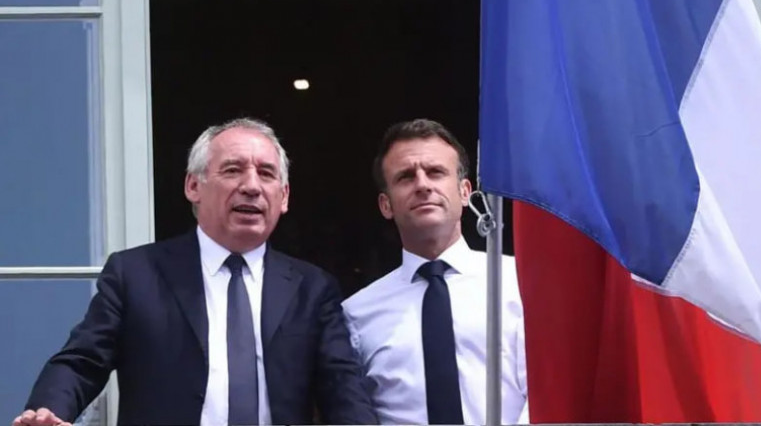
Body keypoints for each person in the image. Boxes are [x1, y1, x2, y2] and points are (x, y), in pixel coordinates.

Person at [14, 118, 377, 426]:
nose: (251, 186)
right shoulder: (136, 274)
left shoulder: (312, 289)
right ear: (193, 186)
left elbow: (342, 387)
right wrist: (49, 411)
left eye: (266, 174)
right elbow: (82, 362)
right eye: (232, 170)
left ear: (283, 197)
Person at [342, 119, 527, 424]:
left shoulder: (518, 282)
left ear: (465, 191)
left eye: (436, 172)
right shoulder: (356, 315)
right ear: (386, 205)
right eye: (405, 177)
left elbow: (546, 390)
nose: (422, 185)